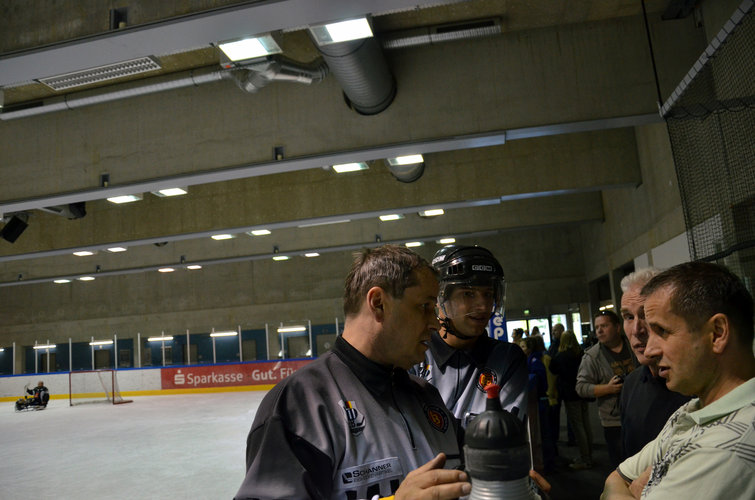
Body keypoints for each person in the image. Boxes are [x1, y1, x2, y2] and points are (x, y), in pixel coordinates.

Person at [235, 245, 470, 500]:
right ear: (378, 303)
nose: (435, 323)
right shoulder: (301, 404)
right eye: (424, 306)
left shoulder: (427, 398)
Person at [602, 261, 755, 500]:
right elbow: (615, 478)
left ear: (717, 333)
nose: (649, 349)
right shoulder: (692, 409)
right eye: (628, 317)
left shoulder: (724, 449)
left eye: (662, 331)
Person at [410, 245, 528, 427]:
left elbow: (504, 434)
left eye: (488, 294)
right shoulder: (412, 355)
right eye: (468, 294)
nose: (483, 306)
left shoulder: (506, 359)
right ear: (440, 298)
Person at [618, 268, 690, 458]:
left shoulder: (695, 388)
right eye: (628, 317)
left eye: (645, 315)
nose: (636, 329)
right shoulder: (630, 384)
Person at [576, 310, 637, 470]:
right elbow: (581, 387)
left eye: (604, 326)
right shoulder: (592, 356)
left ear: (617, 327)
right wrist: (608, 389)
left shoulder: (635, 345)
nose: (599, 331)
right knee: (622, 468)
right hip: (614, 421)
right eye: (597, 327)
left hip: (642, 413)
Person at [549, 331, 593, 470]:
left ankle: (585, 459)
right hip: (584, 392)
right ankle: (589, 455)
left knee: (578, 426)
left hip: (570, 395)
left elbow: (552, 369)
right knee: (586, 424)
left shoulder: (561, 356)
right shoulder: (581, 354)